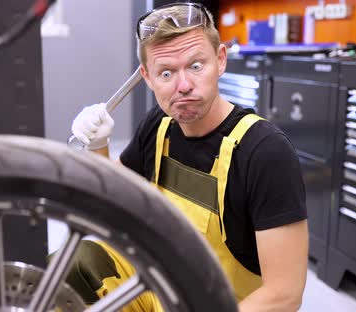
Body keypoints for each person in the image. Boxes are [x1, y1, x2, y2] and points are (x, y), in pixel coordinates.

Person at [69, 2, 308, 311]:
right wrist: (97, 146)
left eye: (196, 66)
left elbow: (284, 294)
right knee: (75, 266)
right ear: (148, 77)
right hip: (159, 288)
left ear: (220, 60)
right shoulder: (159, 126)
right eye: (166, 72)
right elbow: (114, 204)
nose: (184, 86)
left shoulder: (264, 152)